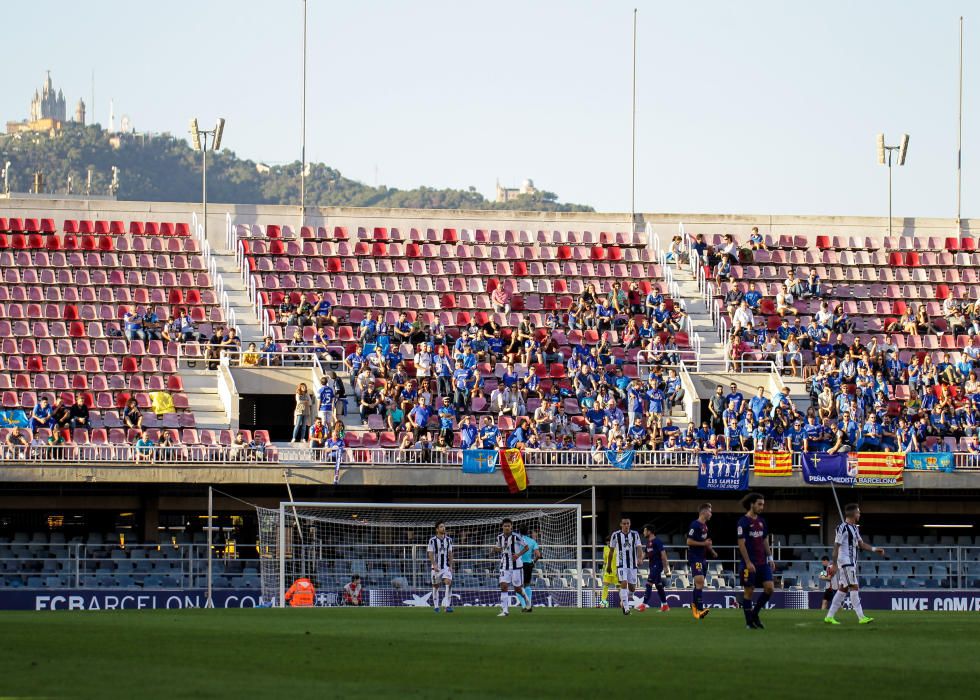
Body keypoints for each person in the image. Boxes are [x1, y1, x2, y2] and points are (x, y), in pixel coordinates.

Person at [825, 504, 886, 625]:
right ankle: (861, 617)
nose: (859, 514)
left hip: (850, 562)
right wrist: (835, 564)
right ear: (853, 514)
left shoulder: (855, 528)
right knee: (854, 586)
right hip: (845, 562)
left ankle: (829, 616)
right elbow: (836, 546)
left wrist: (875, 549)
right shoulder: (842, 528)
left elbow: (861, 544)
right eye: (858, 512)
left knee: (843, 589)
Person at [737, 493, 775, 630]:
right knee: (749, 591)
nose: (762, 507)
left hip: (762, 562)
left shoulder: (762, 521)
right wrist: (747, 562)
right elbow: (741, 544)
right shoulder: (743, 522)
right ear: (751, 504)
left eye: (763, 504)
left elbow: (764, 540)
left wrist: (770, 557)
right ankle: (749, 623)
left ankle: (754, 614)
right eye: (759, 504)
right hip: (749, 563)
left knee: (770, 588)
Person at [492, 518, 530, 617]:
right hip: (504, 565)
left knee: (517, 589)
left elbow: (526, 547)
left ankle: (527, 600)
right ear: (502, 527)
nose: (507, 528)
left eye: (509, 526)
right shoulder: (499, 537)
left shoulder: (516, 537)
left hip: (517, 566)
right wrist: (496, 549)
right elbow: (498, 548)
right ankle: (505, 611)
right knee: (504, 586)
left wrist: (518, 555)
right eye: (505, 526)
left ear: (511, 527)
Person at [686, 503, 716, 620]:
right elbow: (689, 541)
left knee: (699, 584)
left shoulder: (705, 526)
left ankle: (694, 609)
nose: (711, 514)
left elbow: (705, 543)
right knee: (700, 581)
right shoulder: (695, 525)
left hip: (703, 558)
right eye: (710, 511)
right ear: (704, 512)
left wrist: (712, 551)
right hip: (695, 557)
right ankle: (700, 608)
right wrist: (704, 544)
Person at [609, 517, 643, 616]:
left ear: (630, 524)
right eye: (624, 523)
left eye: (628, 523)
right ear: (621, 524)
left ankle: (626, 599)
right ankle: (626, 608)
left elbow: (639, 547)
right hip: (621, 564)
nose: (626, 525)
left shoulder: (635, 534)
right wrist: (609, 565)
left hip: (632, 565)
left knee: (632, 588)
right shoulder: (615, 535)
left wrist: (640, 558)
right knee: (623, 583)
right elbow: (611, 550)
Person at [635, 523, 670, 613]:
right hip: (652, 566)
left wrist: (666, 568)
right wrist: (640, 560)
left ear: (649, 532)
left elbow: (663, 554)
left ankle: (644, 605)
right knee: (659, 586)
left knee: (649, 583)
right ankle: (665, 605)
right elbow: (646, 553)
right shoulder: (649, 543)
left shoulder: (657, 541)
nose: (643, 532)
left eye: (645, 530)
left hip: (657, 565)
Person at [427, 521, 455, 613]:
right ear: (437, 529)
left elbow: (450, 553)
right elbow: (430, 553)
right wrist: (434, 564)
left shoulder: (449, 540)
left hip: (446, 567)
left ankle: (447, 606)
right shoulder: (432, 540)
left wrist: (451, 566)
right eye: (441, 527)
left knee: (448, 583)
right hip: (436, 568)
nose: (443, 528)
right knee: (436, 586)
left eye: (444, 526)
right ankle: (436, 606)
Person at [519, 528, 542, 611]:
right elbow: (538, 555)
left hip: (519, 565)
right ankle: (529, 604)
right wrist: (533, 562)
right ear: (527, 532)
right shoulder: (532, 541)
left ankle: (524, 606)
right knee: (527, 584)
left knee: (519, 586)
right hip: (529, 564)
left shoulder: (518, 540)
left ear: (519, 532)